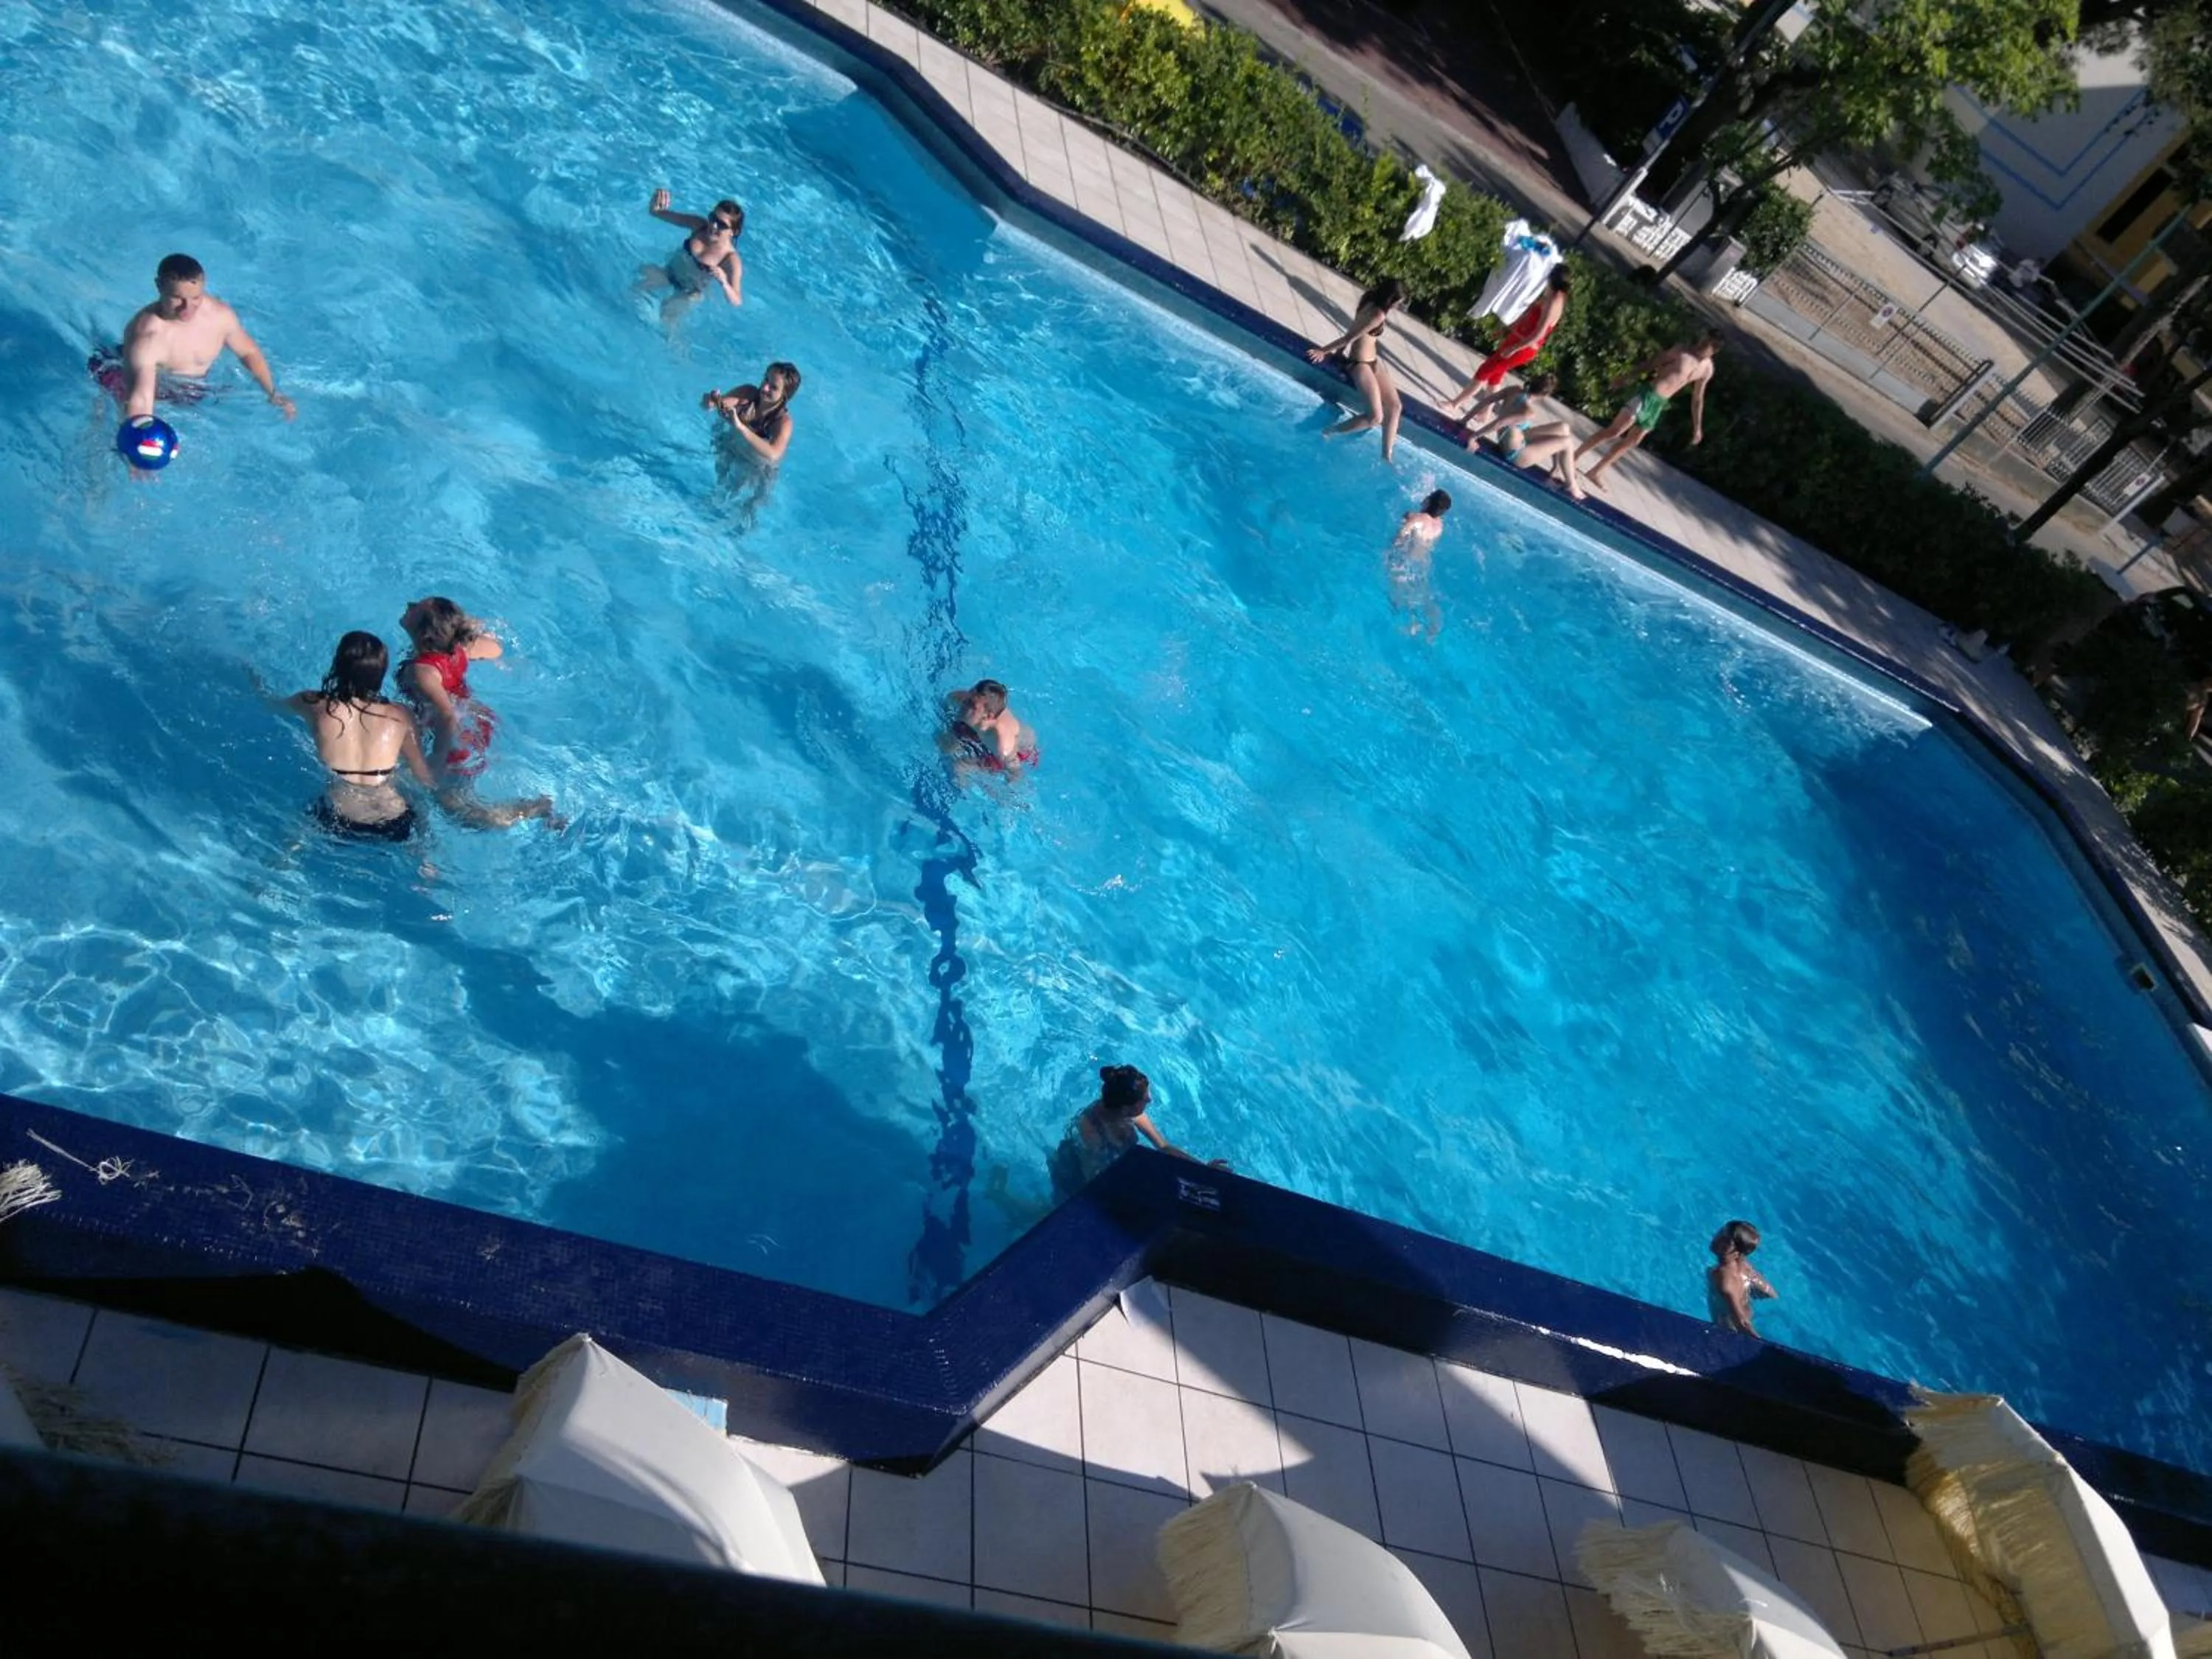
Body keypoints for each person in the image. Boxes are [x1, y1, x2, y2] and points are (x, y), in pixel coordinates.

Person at [94, 253, 296, 422]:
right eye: (178, 298)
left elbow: (248, 352)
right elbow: (141, 398)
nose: (187, 308)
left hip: (190, 389)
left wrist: (272, 392)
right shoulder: (148, 336)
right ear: (159, 287)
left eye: (195, 298)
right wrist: (138, 444)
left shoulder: (220, 316)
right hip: (129, 377)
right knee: (110, 424)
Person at [274, 632, 437, 843]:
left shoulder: (313, 703)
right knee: (416, 810)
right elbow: (423, 776)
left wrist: (254, 680)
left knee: (297, 835)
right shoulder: (401, 715)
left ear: (338, 666)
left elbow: (273, 707)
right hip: (395, 818)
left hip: (338, 815)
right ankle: (426, 861)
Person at [1048, 1064, 1222, 1200]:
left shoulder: (1130, 1113)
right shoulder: (1092, 1135)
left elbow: (1164, 1147)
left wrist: (1203, 1168)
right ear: (1126, 1108)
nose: (1151, 1100)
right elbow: (1092, 1182)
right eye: (1145, 1100)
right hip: (1074, 1174)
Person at [1576, 334, 1722, 491]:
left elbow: (1697, 399)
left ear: (1714, 351)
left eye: (1706, 344)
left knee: (1633, 441)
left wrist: (1697, 427)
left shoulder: (1707, 369)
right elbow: (1653, 363)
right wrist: (1626, 377)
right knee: (1615, 431)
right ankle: (1575, 456)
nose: (1701, 344)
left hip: (1659, 404)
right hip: (1648, 394)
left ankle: (1597, 471)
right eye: (1703, 340)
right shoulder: (1682, 351)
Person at [400, 597, 504, 779]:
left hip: (457, 734)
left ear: (423, 634)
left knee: (452, 801)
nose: (409, 604)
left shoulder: (423, 671)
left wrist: (437, 758)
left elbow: (447, 714)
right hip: (477, 719)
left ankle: (526, 809)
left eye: (415, 608)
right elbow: (496, 649)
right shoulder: (459, 648)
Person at [1306, 278, 1408, 461]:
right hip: (1359, 364)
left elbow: (1353, 328)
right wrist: (1324, 351)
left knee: (1395, 406)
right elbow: (1350, 337)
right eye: (1397, 302)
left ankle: (1387, 456)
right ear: (1391, 299)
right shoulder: (1378, 315)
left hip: (1373, 361)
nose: (1397, 306)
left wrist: (1338, 353)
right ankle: (1329, 431)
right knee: (1375, 417)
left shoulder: (1368, 299)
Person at [1446, 266, 1571, 408]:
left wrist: (1514, 348)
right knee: (1495, 376)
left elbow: (1538, 334)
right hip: (1517, 339)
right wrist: (1507, 331)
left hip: (1524, 346)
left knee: (1485, 370)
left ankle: (1455, 404)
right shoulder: (1553, 294)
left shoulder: (1554, 301)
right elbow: (1529, 317)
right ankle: (1484, 413)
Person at [639, 189, 744, 320]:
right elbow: (661, 214)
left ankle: (674, 341)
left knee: (667, 316)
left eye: (722, 225)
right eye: (713, 218)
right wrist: (655, 209)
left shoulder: (730, 259)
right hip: (668, 273)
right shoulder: (699, 225)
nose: (714, 226)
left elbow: (737, 301)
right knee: (636, 288)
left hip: (688, 292)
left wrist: (724, 282)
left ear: (734, 231)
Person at [703, 361, 799, 467]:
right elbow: (718, 404)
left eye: (774, 387)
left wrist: (740, 427)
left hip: (756, 466)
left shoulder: (783, 422)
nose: (765, 387)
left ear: (784, 396)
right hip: (730, 447)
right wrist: (711, 402)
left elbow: (773, 454)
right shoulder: (747, 394)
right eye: (766, 379)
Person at [941, 678, 1039, 779]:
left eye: (971, 704)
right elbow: (946, 703)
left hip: (1017, 752)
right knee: (945, 744)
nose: (963, 704)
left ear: (988, 716)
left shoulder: (1002, 746)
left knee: (958, 768)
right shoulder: (962, 699)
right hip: (980, 732)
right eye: (968, 697)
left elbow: (1015, 772)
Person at [1388, 490, 1451, 639]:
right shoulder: (1439, 525)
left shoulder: (1416, 518)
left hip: (1406, 561)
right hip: (1424, 563)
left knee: (1399, 591)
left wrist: (1390, 554)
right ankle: (1432, 628)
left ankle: (1413, 622)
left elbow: (1400, 538)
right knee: (1421, 593)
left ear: (1428, 501)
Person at [1707, 1220, 1777, 1338]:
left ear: (1737, 1253)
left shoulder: (1724, 1279)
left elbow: (1742, 1323)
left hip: (1728, 1329)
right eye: (1721, 1232)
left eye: (1726, 1242)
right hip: (1746, 1311)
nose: (1717, 1239)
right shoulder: (1745, 1267)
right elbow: (1771, 1294)